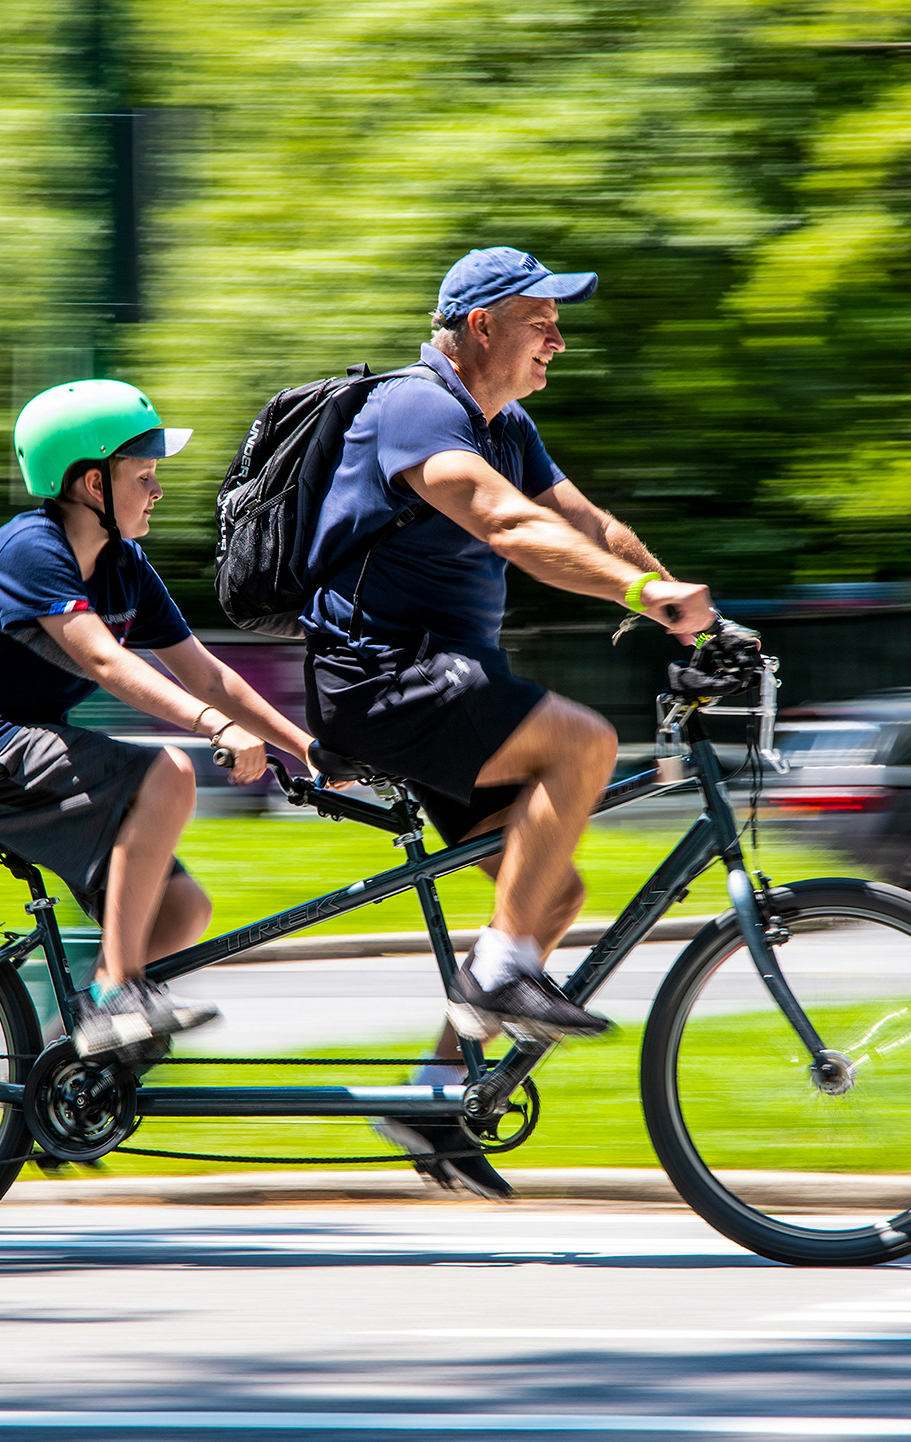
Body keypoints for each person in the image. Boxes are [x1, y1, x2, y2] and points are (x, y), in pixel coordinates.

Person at [301, 247, 716, 1197]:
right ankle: (498, 980)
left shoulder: (506, 423)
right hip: (379, 677)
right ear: (481, 326)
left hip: (444, 679)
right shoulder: (414, 406)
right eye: (542, 324)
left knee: (547, 895)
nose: (559, 344)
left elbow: (586, 525)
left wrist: (701, 615)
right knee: (584, 741)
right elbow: (511, 527)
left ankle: (432, 1087)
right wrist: (652, 598)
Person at [0, 380, 327, 1059]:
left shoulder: (125, 567)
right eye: (144, 475)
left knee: (184, 909)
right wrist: (214, 729)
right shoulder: (30, 549)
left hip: (27, 747)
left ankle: (67, 1062)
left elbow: (205, 673)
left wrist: (309, 749)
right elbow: (104, 661)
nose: (157, 491)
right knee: (166, 772)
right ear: (91, 484)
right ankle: (112, 995)